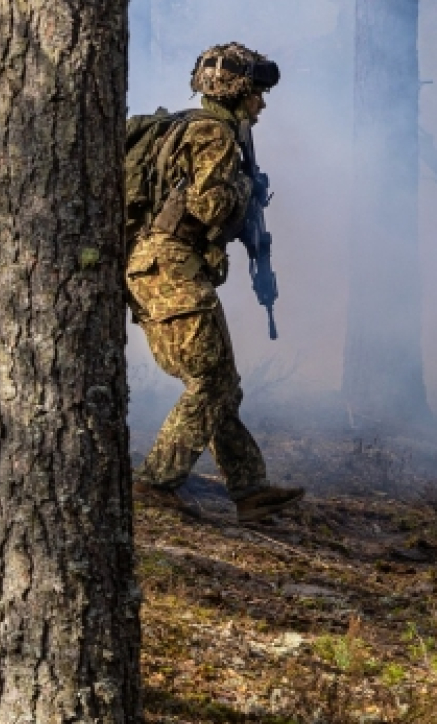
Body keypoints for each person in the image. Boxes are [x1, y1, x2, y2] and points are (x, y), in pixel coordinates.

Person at [127, 43, 303, 523]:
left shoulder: (188, 126)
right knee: (210, 381)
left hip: (160, 268)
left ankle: (250, 489)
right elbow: (207, 208)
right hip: (170, 267)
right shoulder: (214, 133)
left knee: (223, 384)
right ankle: (156, 482)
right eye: (256, 94)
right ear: (236, 92)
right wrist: (247, 189)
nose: (261, 104)